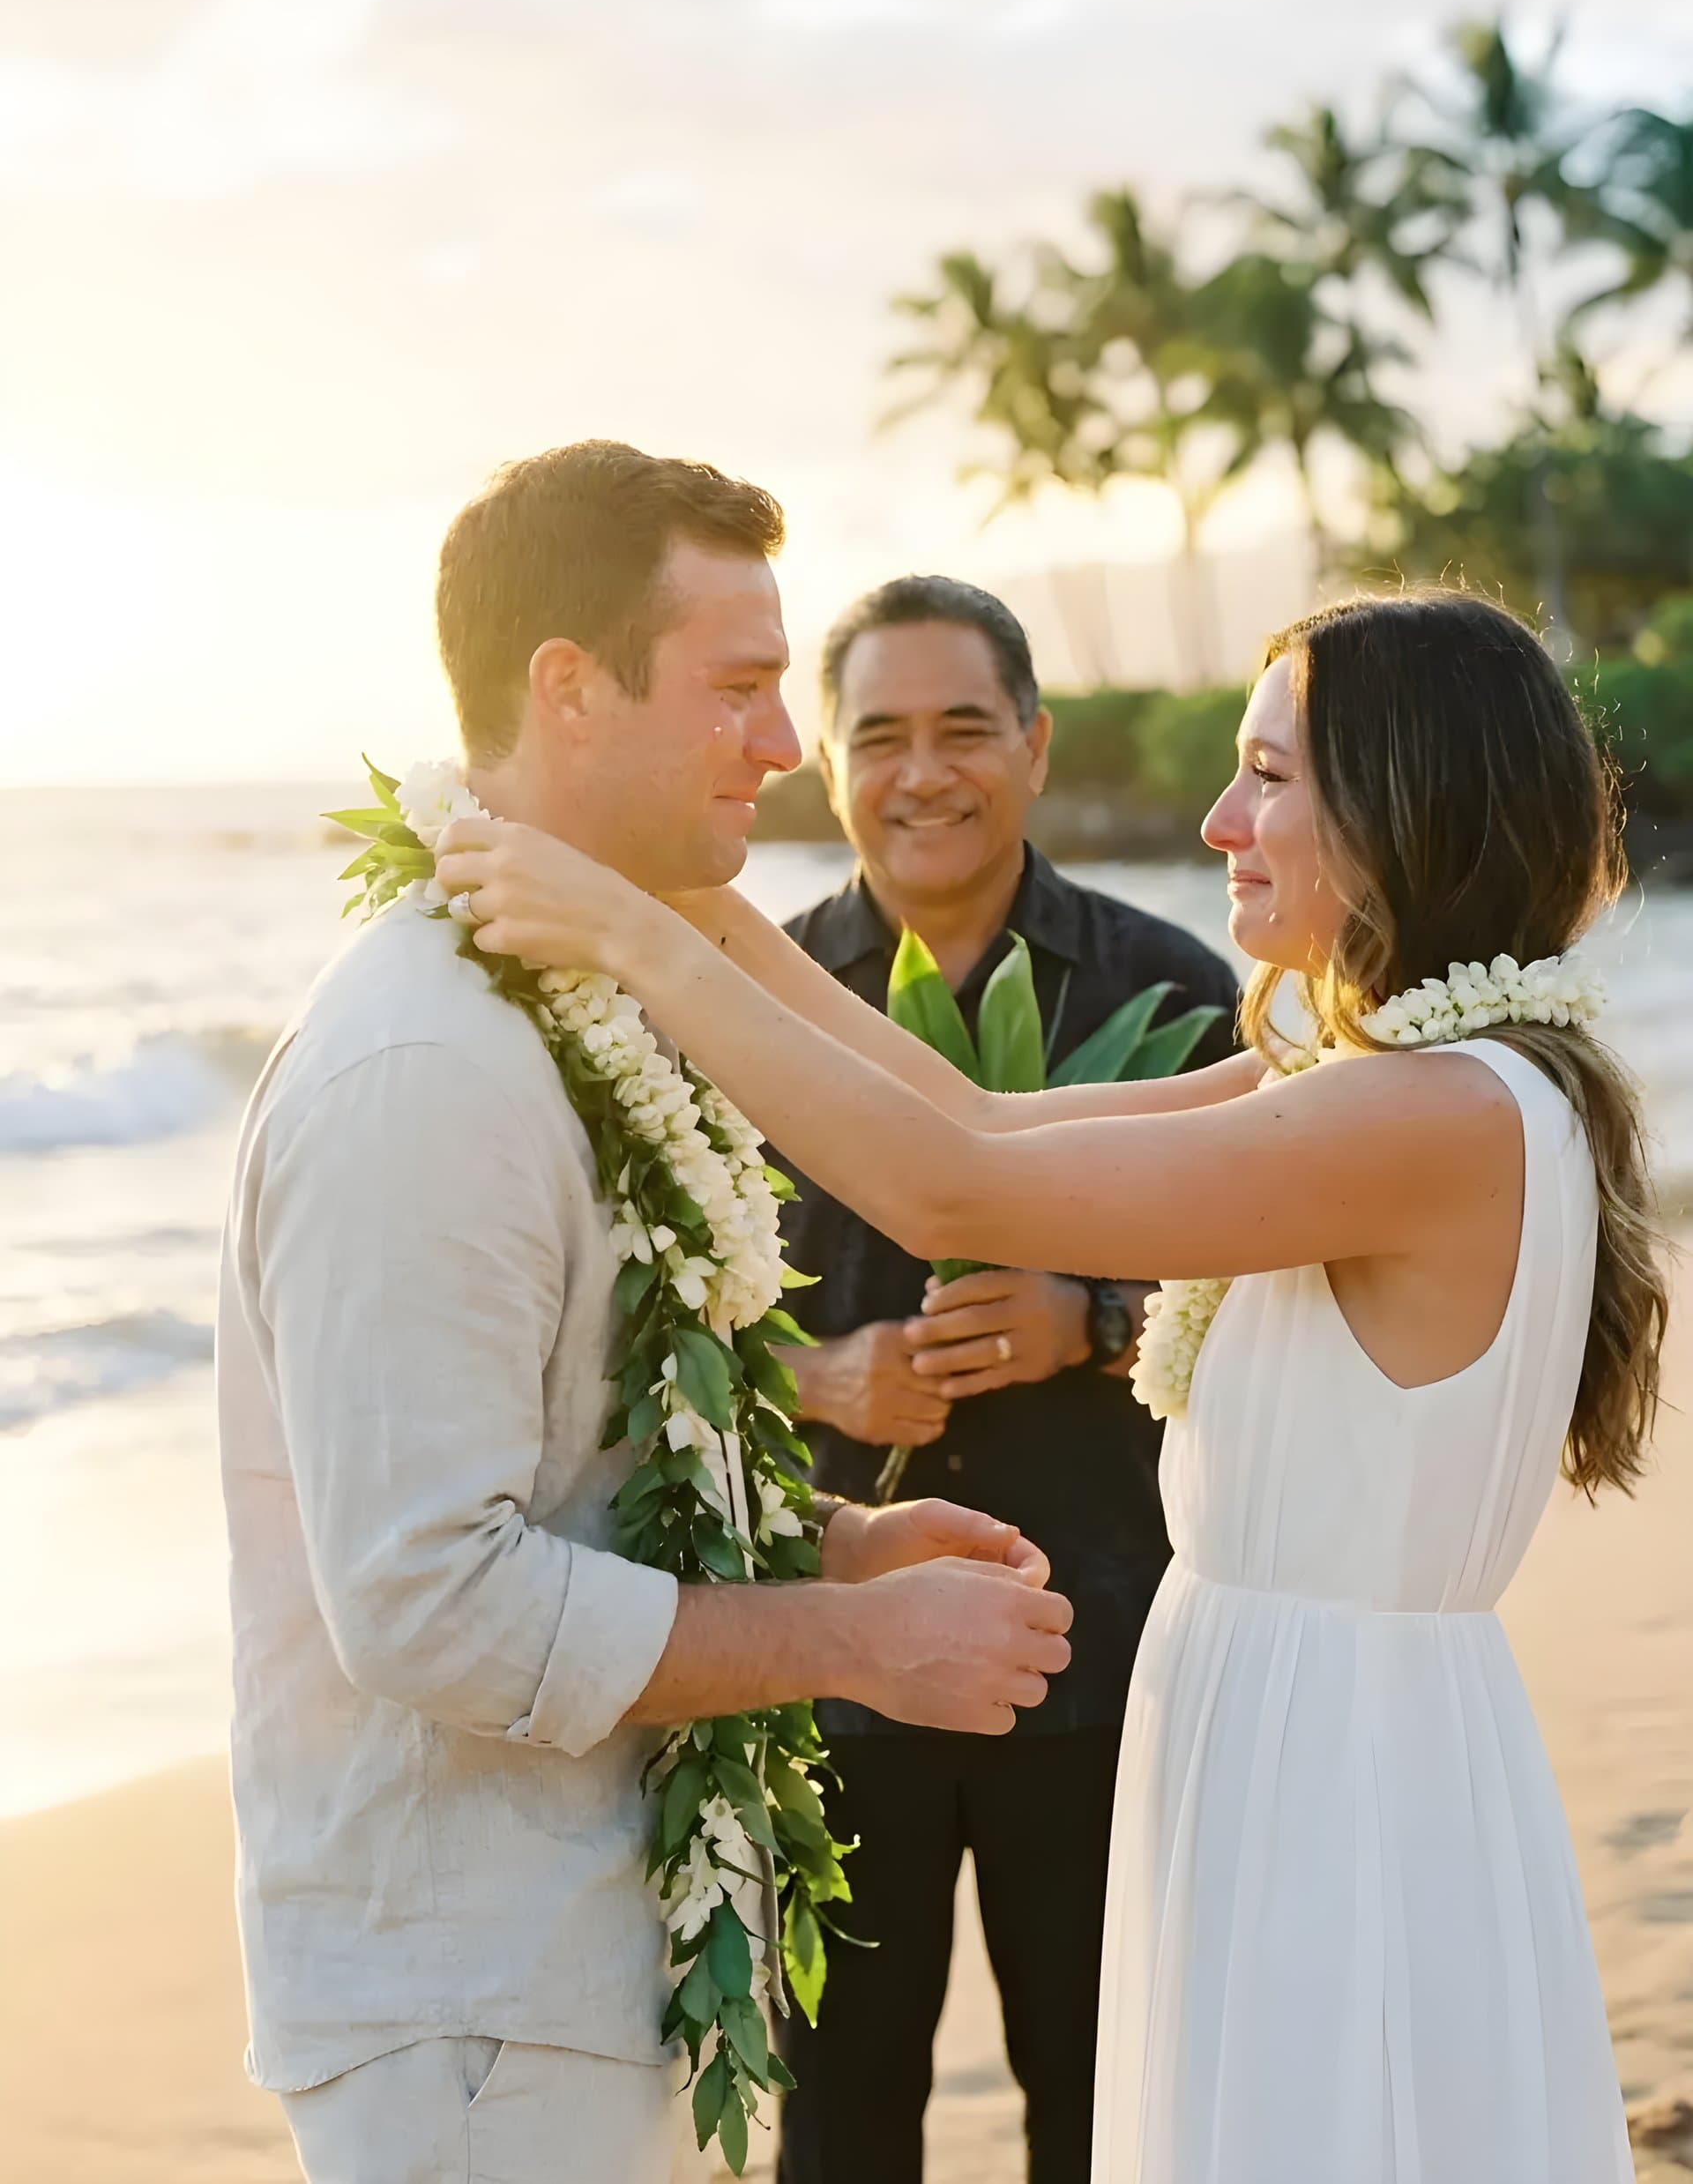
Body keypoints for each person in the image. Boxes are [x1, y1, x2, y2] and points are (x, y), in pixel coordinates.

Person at [439, 589, 1668, 2184]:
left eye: (1271, 777)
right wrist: (695, 898)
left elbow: (950, 1195)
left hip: (1341, 1765)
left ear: (1406, 798)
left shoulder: (1428, 1115)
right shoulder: (1371, 1075)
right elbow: (983, 1119)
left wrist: (623, 940)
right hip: (1278, 1717)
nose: (1222, 819)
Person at [215, 441, 1074, 2184]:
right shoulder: (424, 1067)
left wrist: (825, 1540)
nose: (785, 744)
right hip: (468, 1990)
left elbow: (580, 1468)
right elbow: (428, 1598)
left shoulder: (566, 1002)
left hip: (578, 1957)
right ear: (569, 688)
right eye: (743, 687)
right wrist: (853, 1648)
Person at [764, 575, 1237, 2184]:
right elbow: (638, 1323)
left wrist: (1096, 1316)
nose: (924, 773)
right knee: (839, 2120)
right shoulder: (754, 1005)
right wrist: (818, 1377)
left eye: (964, 728)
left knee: (1108, 2107)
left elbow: (1296, 1280)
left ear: (1033, 746)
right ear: (824, 764)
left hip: (1103, 1648)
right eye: (877, 735)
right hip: (832, 1658)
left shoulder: (1172, 997)